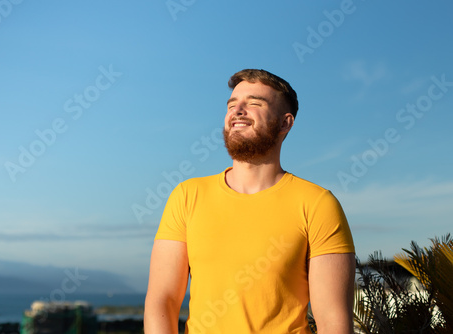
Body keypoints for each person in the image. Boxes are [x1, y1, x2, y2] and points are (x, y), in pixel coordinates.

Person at [144, 69, 356, 334]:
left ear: (284, 123)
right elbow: (162, 300)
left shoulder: (318, 204)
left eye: (254, 103)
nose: (238, 111)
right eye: (232, 105)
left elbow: (333, 321)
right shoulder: (187, 196)